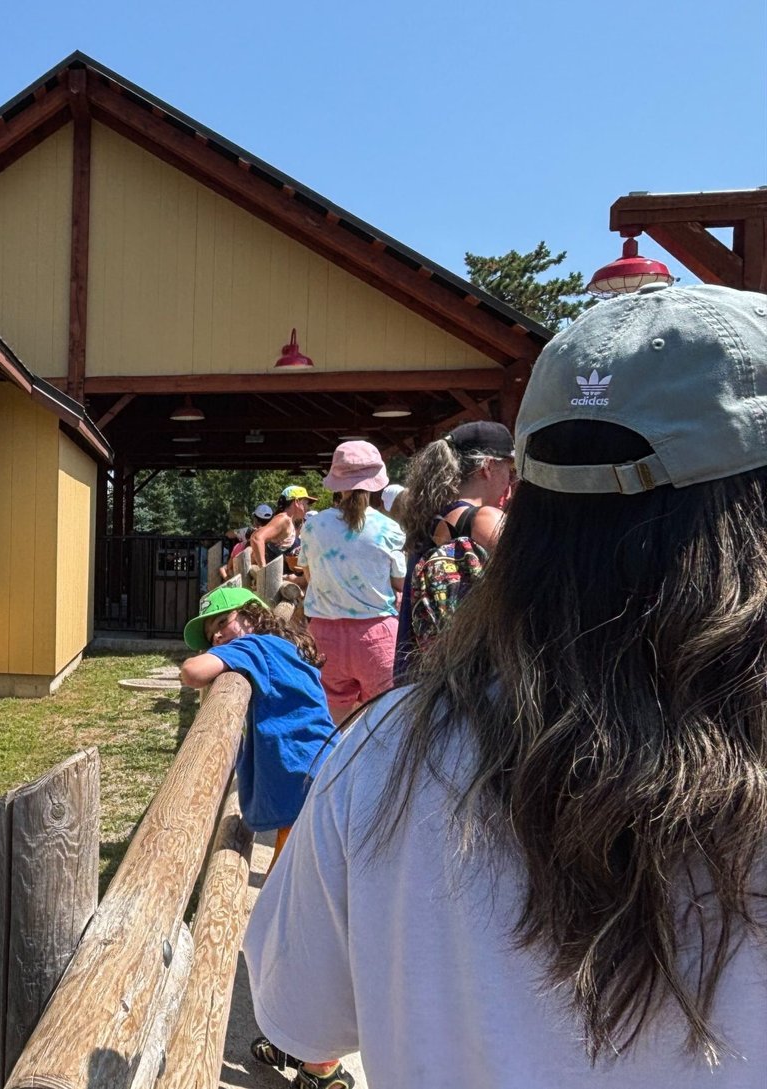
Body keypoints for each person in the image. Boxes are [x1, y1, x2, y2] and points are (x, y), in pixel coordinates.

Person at [244, 283, 767, 1087]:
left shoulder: (387, 754)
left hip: (347, 664)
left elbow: (297, 1009)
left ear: (524, 497)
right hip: (377, 644)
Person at [178, 586, 353, 1089]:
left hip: (307, 796)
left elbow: (194, 672)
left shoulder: (254, 647)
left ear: (251, 616)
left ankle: (321, 1065)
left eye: (222, 624)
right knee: (287, 923)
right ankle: (292, 1035)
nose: (217, 638)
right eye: (212, 633)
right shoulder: (285, 646)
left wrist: (220, 655)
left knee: (295, 927)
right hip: (318, 788)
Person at [391, 420, 514, 677]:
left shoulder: (429, 519)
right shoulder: (484, 520)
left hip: (421, 668)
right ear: (488, 467)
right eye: (510, 469)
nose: (510, 480)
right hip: (472, 671)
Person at [295, 443, 403, 723]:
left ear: (337, 482)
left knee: (332, 728)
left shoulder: (313, 526)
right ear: (376, 481)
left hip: (323, 634)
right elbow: (400, 583)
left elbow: (309, 576)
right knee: (383, 724)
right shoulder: (389, 528)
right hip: (377, 634)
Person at [249, 487, 312, 571]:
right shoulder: (283, 519)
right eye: (306, 503)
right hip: (274, 580)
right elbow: (256, 538)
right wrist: (264, 571)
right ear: (296, 502)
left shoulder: (290, 521)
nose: (308, 508)